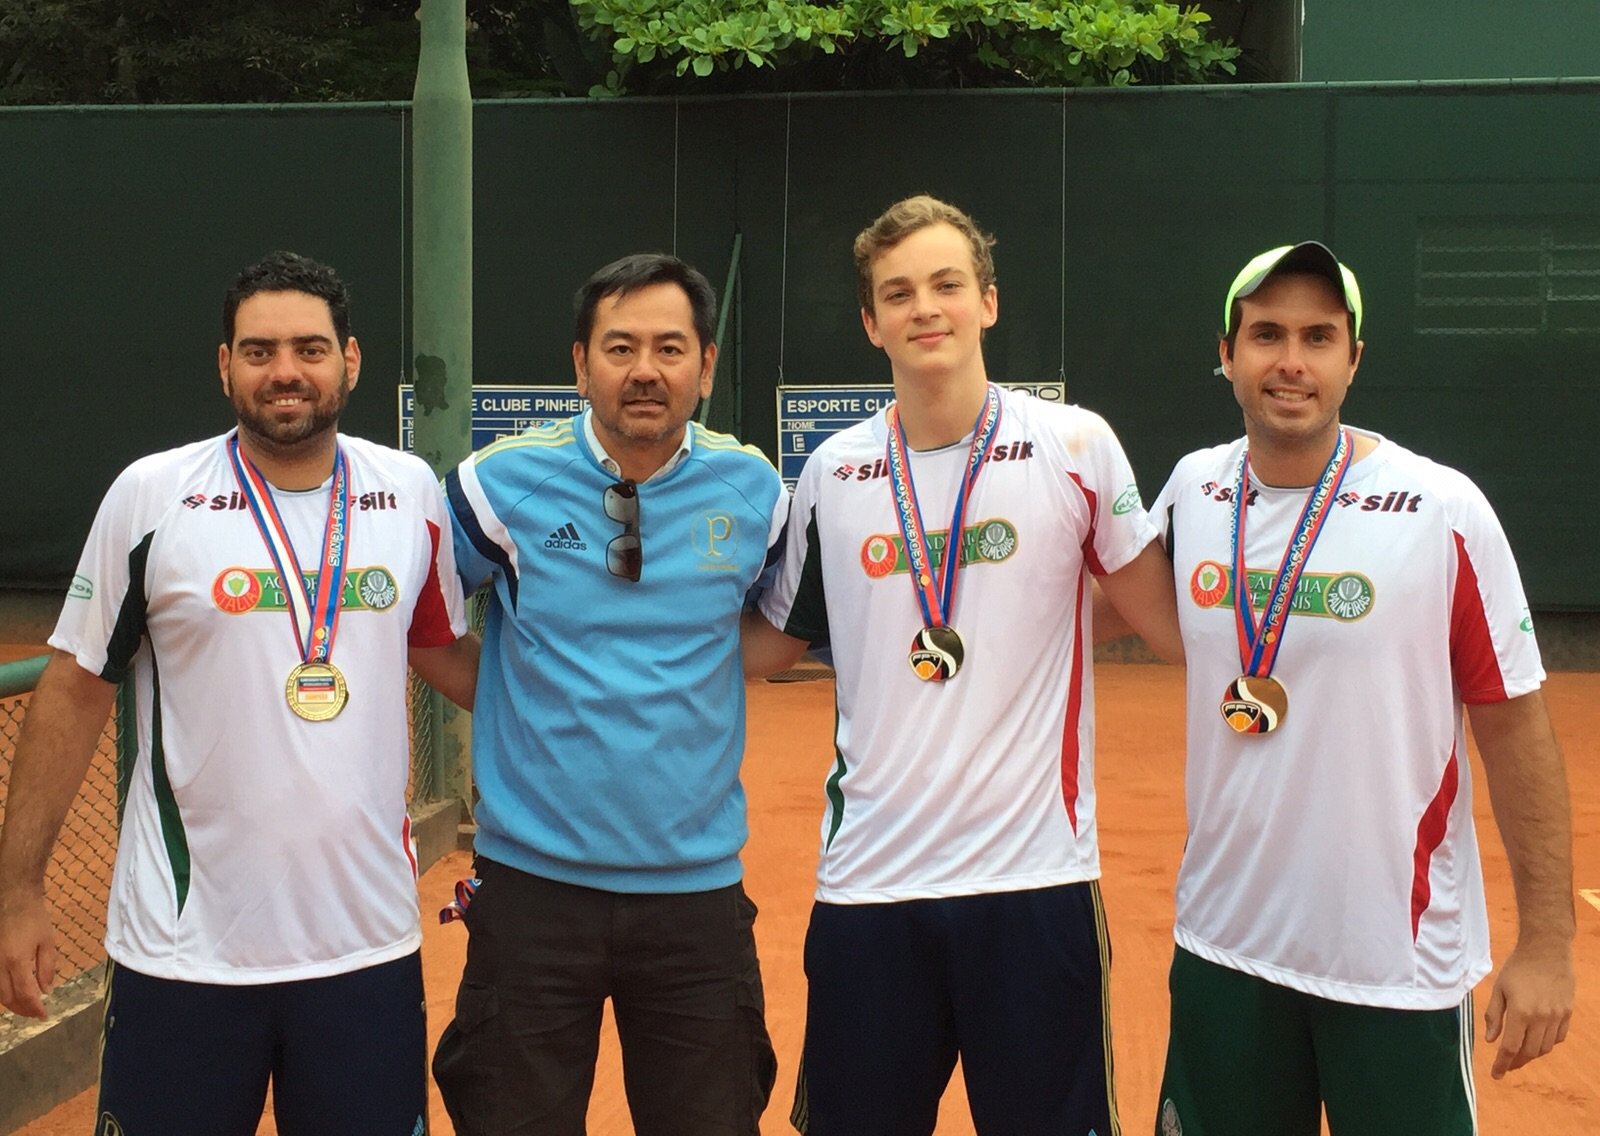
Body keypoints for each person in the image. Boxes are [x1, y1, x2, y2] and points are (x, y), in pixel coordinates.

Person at [0, 250, 478, 1136]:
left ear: (351, 360)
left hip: (364, 948)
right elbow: (71, 691)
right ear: (225, 366)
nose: (285, 371)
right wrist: (17, 890)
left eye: (309, 348)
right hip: (184, 956)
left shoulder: (408, 491)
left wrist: (600, 691)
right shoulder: (152, 496)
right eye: (258, 351)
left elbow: (445, 653)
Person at [742, 194, 1183, 1136]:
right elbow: (774, 642)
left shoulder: (1075, 446)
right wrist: (606, 630)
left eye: (947, 284)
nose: (924, 307)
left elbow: (1169, 622)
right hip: (870, 890)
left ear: (988, 300)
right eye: (897, 293)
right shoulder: (832, 473)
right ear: (871, 323)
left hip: (1034, 887)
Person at [1144, 242, 1575, 1135]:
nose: (1290, 361)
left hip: (1391, 965)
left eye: (1317, 336)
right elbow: (1088, 597)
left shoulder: (1442, 510)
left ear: (1353, 359)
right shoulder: (1194, 488)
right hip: (1225, 949)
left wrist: (1549, 944)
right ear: (1227, 356)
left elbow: (1516, 731)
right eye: (1265, 334)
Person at [433, 252, 786, 1136]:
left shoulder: (754, 493)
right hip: (531, 893)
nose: (644, 370)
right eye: (619, 346)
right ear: (581, 362)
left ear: (705, 366)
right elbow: (428, 628)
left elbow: (775, 635)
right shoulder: (497, 485)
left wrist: (679, 678)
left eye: (671, 348)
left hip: (695, 900)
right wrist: (525, 701)